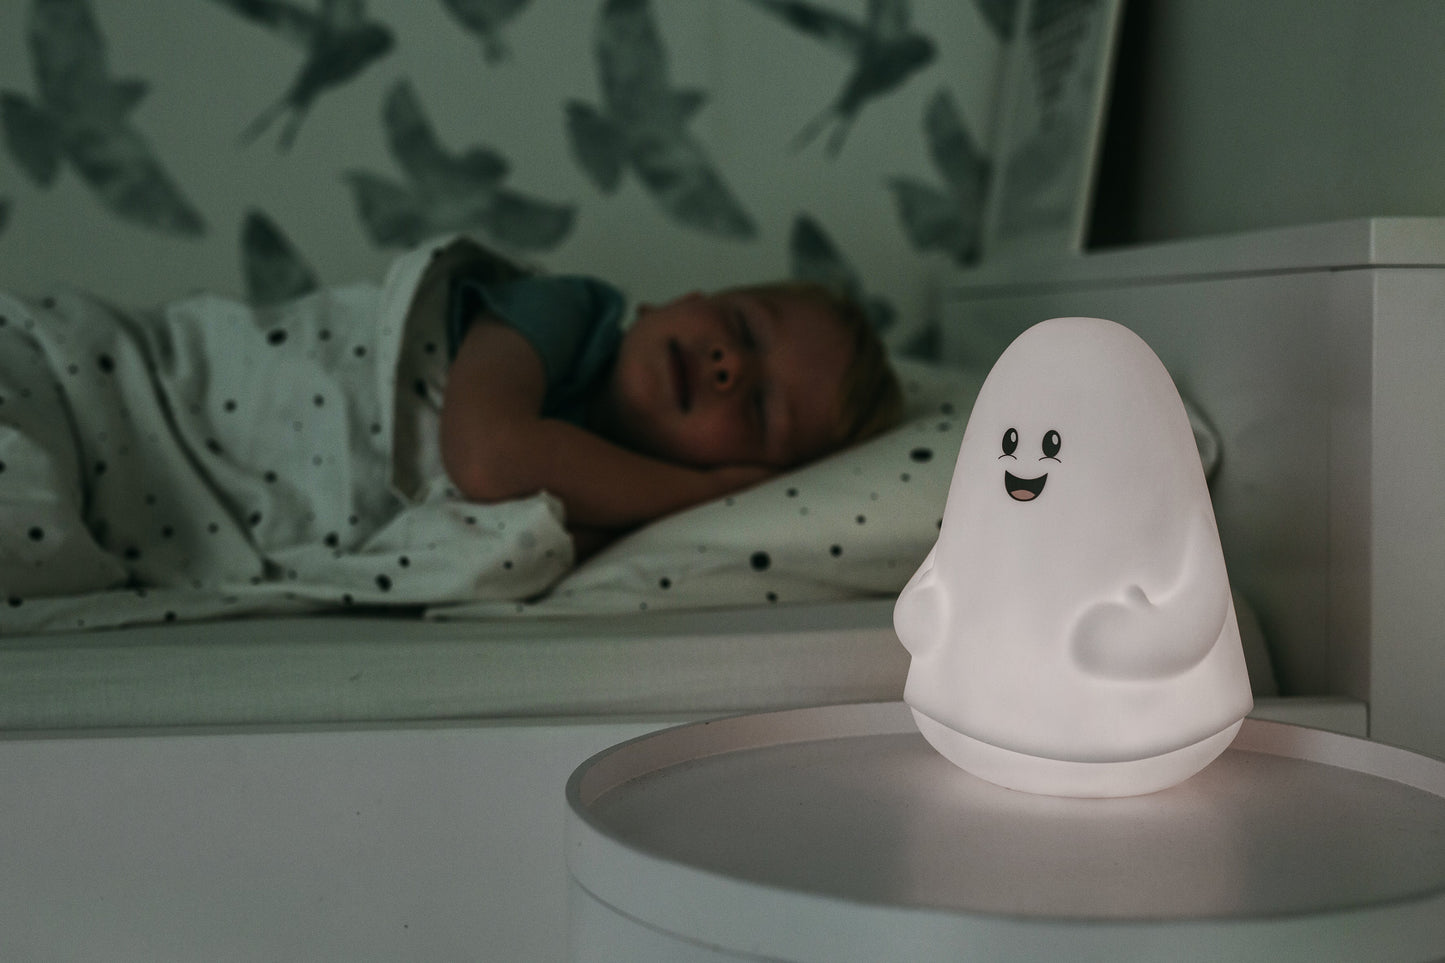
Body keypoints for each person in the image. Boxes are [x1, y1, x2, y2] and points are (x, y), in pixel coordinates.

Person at [440, 272, 904, 557]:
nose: (731, 365)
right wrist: (708, 489)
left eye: (760, 409)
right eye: (743, 327)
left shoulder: (634, 525)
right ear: (683, 300)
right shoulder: (563, 309)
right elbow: (488, 459)